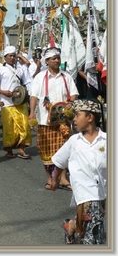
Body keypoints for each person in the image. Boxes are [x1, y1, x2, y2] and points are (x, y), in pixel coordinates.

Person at [51, 99, 106, 245]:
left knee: (90, 220)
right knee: (94, 232)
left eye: (77, 115)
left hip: (103, 192)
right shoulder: (74, 141)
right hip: (84, 193)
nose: (74, 119)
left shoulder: (107, 140)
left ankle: (72, 226)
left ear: (90, 117)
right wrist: (54, 179)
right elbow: (59, 162)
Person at [29, 46, 79, 190]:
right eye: (53, 58)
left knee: (64, 150)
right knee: (46, 149)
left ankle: (63, 178)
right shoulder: (40, 77)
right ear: (47, 61)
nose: (57, 61)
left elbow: (74, 93)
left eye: (58, 58)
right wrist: (32, 112)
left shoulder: (66, 76)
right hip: (45, 120)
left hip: (63, 120)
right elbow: (34, 96)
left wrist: (71, 103)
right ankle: (50, 179)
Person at [0, 45, 32, 159]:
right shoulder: (0, 70)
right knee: (9, 128)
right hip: (6, 103)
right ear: (5, 57)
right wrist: (3, 92)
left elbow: (25, 83)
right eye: (10, 56)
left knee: (23, 125)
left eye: (14, 56)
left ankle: (21, 149)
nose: (13, 58)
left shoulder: (20, 69)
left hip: (20, 102)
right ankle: (9, 150)